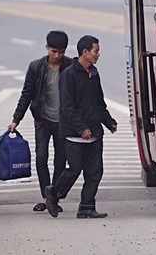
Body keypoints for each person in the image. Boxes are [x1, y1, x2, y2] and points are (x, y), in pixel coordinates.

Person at [45, 35, 117, 219]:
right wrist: (81, 128)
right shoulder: (69, 75)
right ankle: (54, 193)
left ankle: (86, 206)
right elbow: (67, 107)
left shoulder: (94, 73)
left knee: (95, 171)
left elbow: (98, 102)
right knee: (74, 169)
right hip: (75, 134)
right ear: (84, 52)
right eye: (96, 51)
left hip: (94, 132)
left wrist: (108, 122)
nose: (98, 55)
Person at [8, 30, 74, 213]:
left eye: (61, 51)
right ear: (46, 48)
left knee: (60, 161)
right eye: (53, 51)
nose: (57, 55)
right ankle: (45, 197)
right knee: (41, 157)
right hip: (43, 120)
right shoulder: (35, 67)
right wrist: (16, 119)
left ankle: (53, 197)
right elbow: (26, 94)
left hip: (63, 122)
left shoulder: (70, 66)